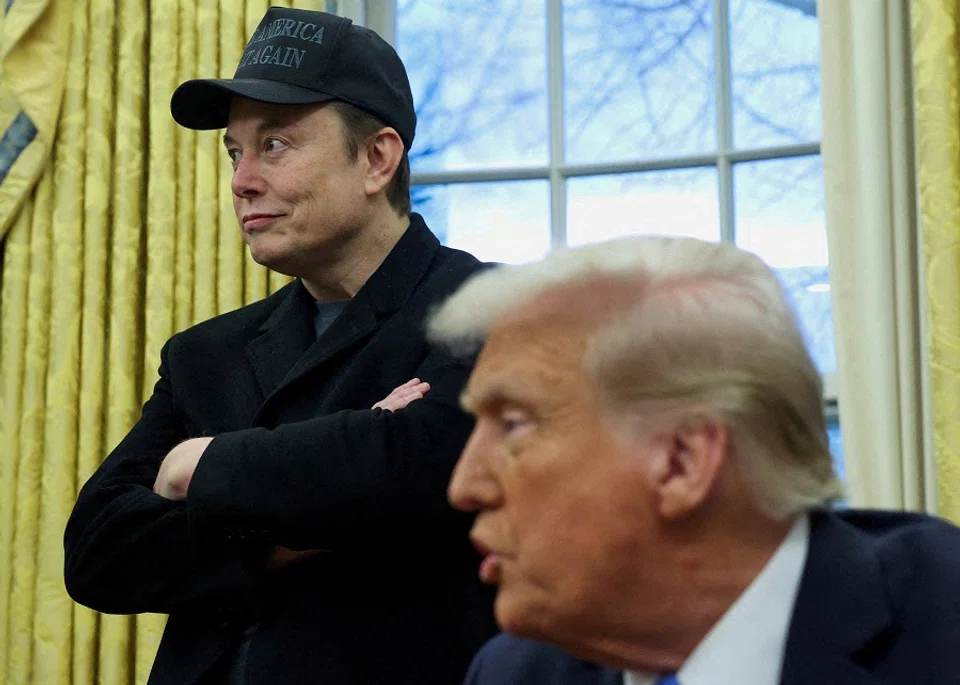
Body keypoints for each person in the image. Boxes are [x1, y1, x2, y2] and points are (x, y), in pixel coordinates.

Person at [63, 8, 496, 685]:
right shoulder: (204, 353)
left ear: (377, 158)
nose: (241, 181)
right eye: (236, 152)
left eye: (276, 145)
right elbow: (98, 549)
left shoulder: (488, 308)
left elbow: (423, 466)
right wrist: (309, 510)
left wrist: (194, 465)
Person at [426, 236, 960, 685]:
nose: (464, 486)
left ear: (682, 461)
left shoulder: (942, 626)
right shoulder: (514, 674)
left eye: (513, 425)